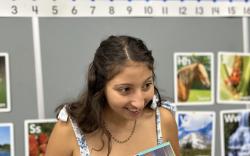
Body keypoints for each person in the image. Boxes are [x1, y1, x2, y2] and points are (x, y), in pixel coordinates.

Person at [46, 35, 180, 156]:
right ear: (101, 85)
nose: (139, 103)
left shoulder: (164, 120)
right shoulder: (68, 131)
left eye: (147, 85)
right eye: (126, 89)